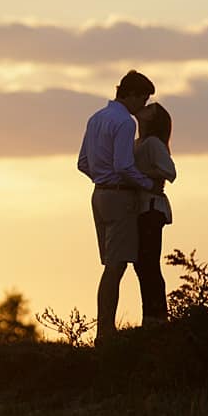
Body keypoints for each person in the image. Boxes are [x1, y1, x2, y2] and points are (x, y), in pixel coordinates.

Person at [77, 70, 157, 341]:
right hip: (120, 196)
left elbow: (83, 163)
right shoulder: (124, 123)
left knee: (112, 264)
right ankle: (106, 332)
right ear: (132, 95)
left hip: (98, 195)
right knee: (116, 265)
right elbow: (123, 165)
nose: (143, 106)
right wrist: (146, 183)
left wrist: (102, 179)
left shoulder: (96, 118)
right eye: (143, 99)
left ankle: (105, 329)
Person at [133, 102, 176, 325]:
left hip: (151, 208)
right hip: (141, 208)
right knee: (142, 263)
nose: (145, 108)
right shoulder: (138, 143)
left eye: (151, 109)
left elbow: (170, 172)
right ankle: (151, 315)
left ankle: (156, 316)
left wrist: (141, 174)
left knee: (148, 262)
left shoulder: (152, 144)